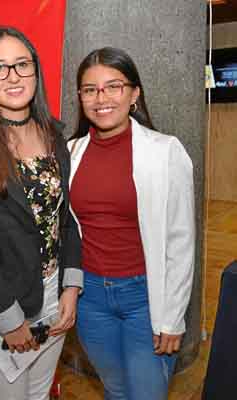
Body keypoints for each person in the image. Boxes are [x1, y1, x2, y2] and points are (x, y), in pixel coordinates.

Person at [0, 26, 82, 400]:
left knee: (39, 396)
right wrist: (9, 319)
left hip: (54, 297)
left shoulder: (54, 133)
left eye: (22, 65)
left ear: (36, 72)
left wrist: (71, 286)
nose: (13, 76)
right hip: (2, 307)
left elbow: (65, 217)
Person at [68, 47, 195, 400]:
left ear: (134, 93)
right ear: (80, 98)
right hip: (90, 298)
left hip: (146, 298)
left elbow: (181, 241)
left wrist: (172, 318)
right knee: (117, 388)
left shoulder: (166, 151)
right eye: (90, 90)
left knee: (146, 393)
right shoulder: (71, 153)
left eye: (114, 86)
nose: (101, 98)